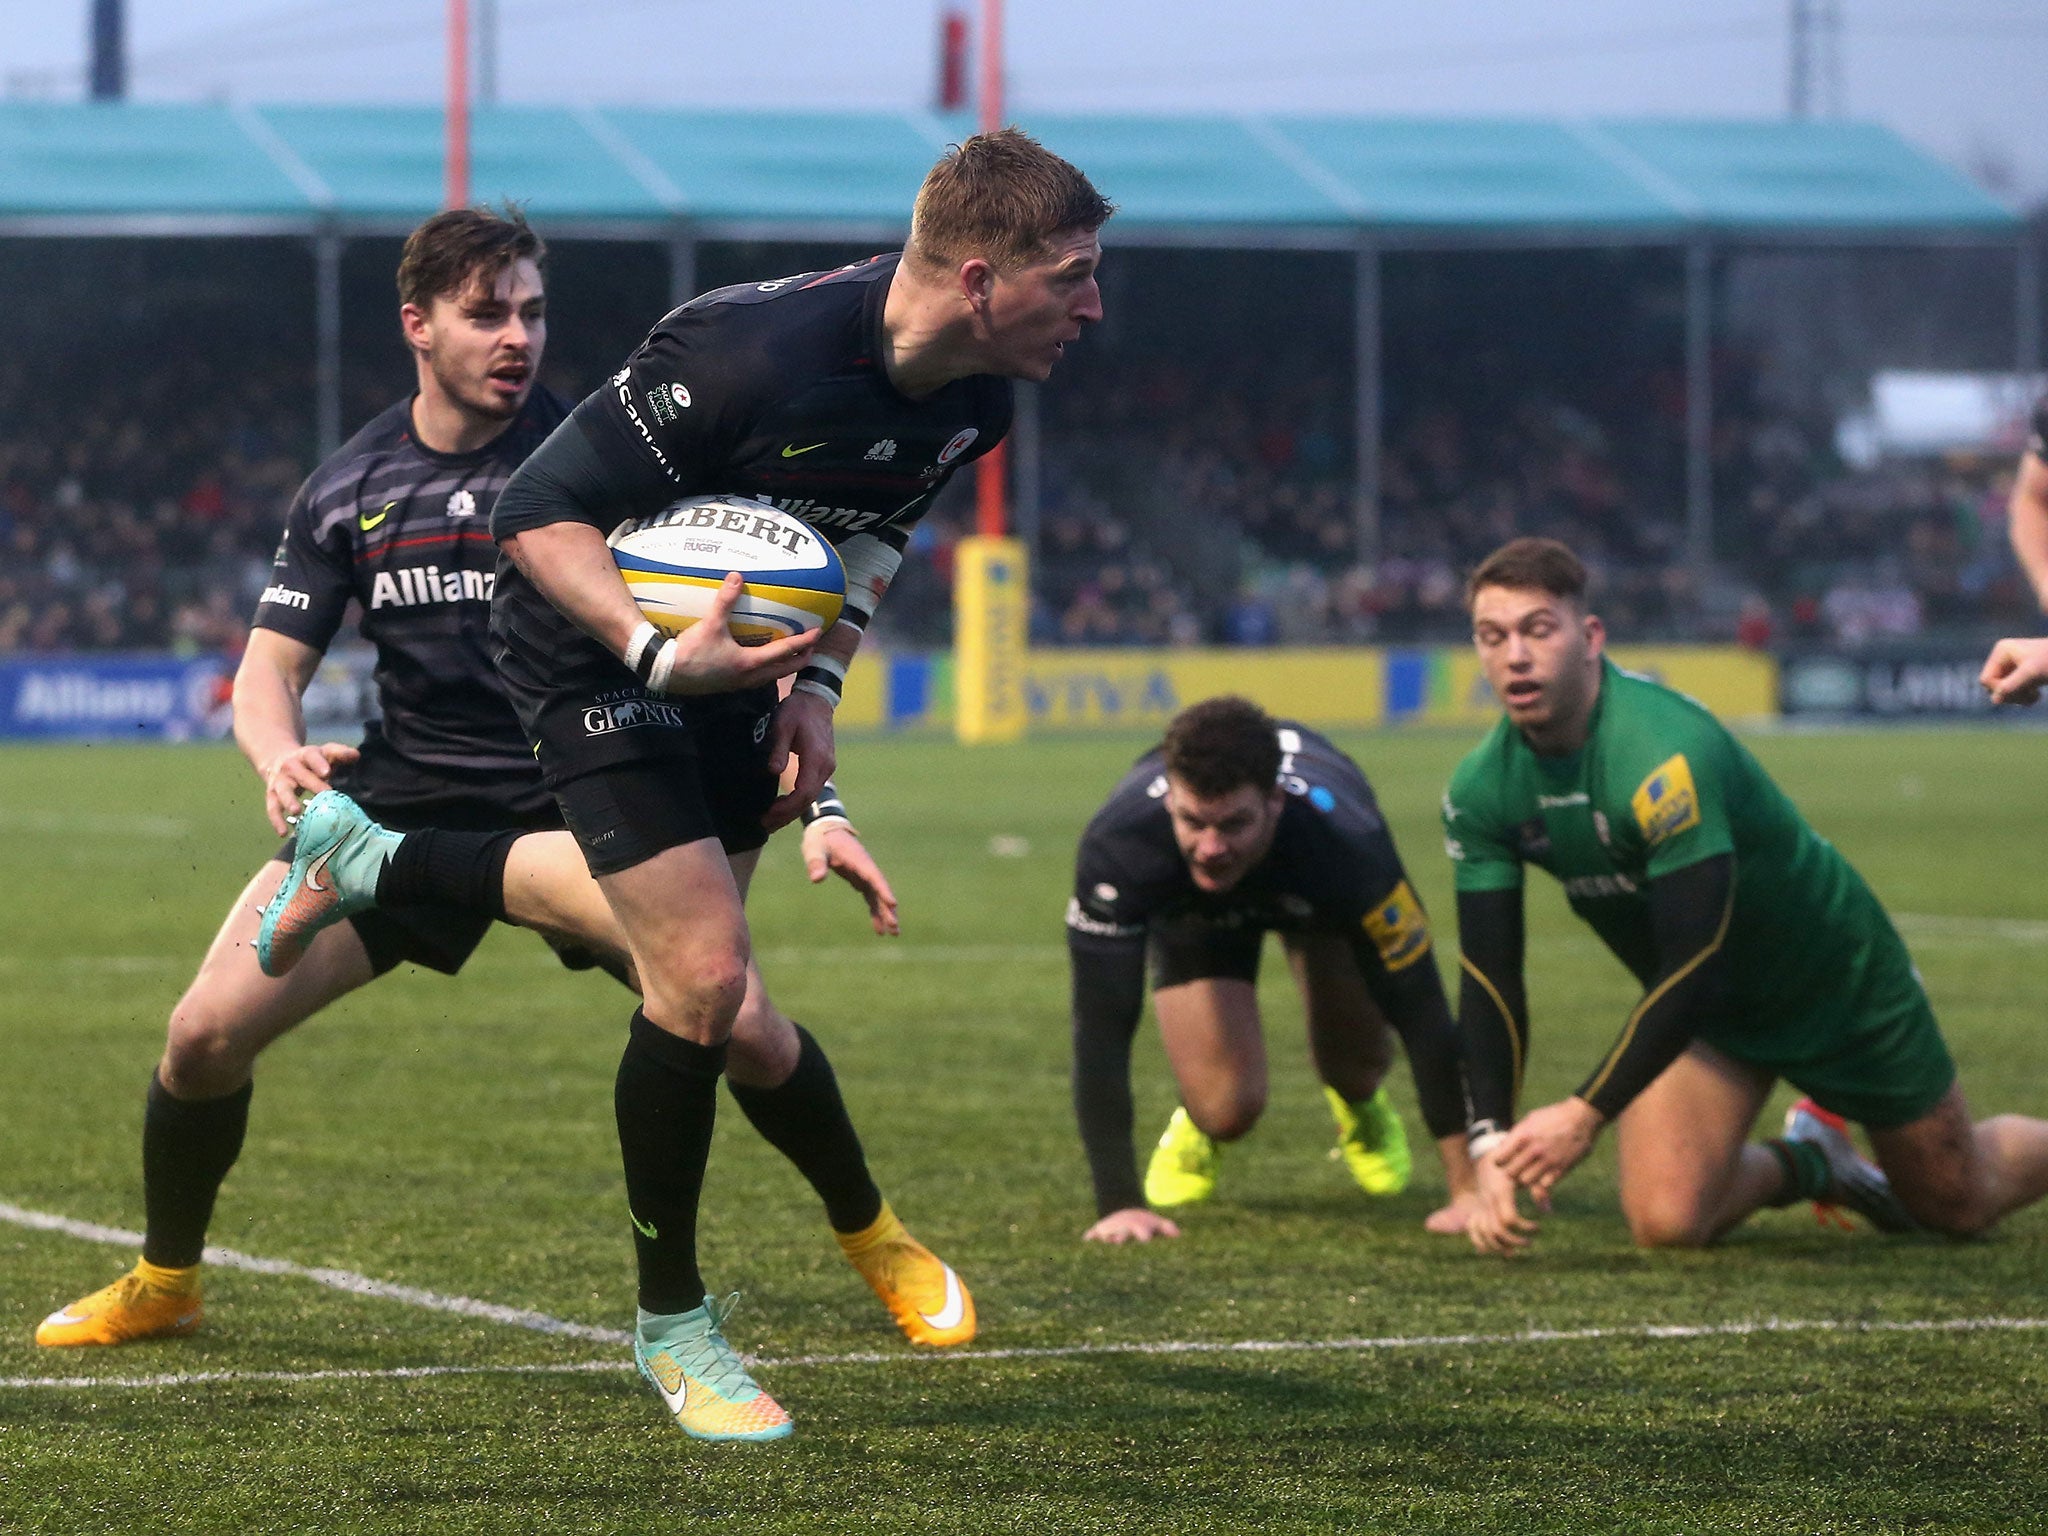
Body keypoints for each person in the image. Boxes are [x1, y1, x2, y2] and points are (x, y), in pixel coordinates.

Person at [34, 208, 927, 1365]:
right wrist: (279, 757)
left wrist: (822, 805)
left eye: (533, 311)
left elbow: (749, 649)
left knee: (738, 1019)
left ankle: (879, 1238)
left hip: (582, 805)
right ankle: (165, 1281)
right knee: (201, 1035)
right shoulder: (349, 485)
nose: (518, 336)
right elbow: (266, 672)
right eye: (486, 312)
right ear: (418, 324)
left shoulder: (606, 462)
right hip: (401, 799)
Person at [465, 128, 1111, 1442]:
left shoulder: (979, 396)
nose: (1095, 307)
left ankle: (872, 1233)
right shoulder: (741, 359)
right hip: (595, 653)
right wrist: (655, 650)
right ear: (982, 278)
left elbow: (872, 531)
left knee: (725, 1003)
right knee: (701, 977)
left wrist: (815, 697)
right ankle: (673, 1328)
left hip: (742, 680)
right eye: (1075, 277)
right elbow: (532, 509)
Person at [1444, 536, 2048, 1256]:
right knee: (1667, 1222)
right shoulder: (1481, 791)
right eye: (1493, 636)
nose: (1514, 655)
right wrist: (1489, 1144)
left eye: (1538, 630)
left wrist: (1584, 1113)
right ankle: (1814, 1161)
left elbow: (1693, 959)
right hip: (1714, 1014)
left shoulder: (1663, 753)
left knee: (1956, 1202)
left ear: (1590, 638)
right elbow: (1489, 980)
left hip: (1833, 980)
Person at [1066, 695, 1478, 1246]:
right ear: (1171, 800)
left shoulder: (1348, 846)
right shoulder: (1122, 845)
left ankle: (1358, 1105)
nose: (1211, 847)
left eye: (1234, 824)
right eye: (1193, 821)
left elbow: (1422, 1009)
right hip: (1196, 911)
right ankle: (1198, 1121)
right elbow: (1100, 1031)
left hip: (1317, 900)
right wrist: (1118, 1203)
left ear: (1275, 802)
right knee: (1226, 1109)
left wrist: (1468, 1189)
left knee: (1354, 1065)